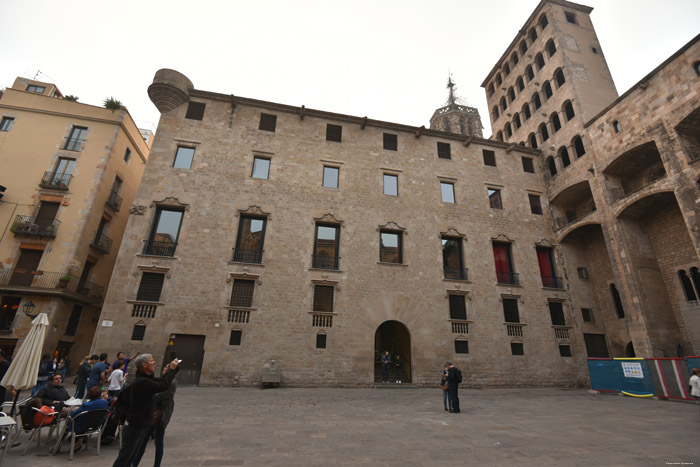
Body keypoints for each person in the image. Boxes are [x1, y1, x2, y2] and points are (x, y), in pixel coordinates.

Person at [111, 353, 179, 467]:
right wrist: (171, 369)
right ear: (144, 365)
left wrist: (174, 367)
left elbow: (162, 381)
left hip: (141, 423)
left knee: (131, 455)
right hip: (135, 424)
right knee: (125, 458)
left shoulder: (146, 380)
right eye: (152, 361)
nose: (154, 362)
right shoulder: (142, 382)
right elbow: (161, 385)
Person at [130, 367, 178, 467]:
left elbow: (158, 396)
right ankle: (135, 463)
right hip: (152, 413)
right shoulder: (162, 380)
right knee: (143, 440)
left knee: (158, 441)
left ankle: (156, 465)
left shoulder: (171, 382)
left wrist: (147, 395)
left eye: (166, 367)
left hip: (160, 415)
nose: (164, 368)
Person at [64, 386, 109, 452]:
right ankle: (79, 441)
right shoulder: (104, 403)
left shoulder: (86, 405)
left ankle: (58, 445)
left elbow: (74, 415)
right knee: (83, 420)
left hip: (82, 426)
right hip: (96, 425)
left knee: (70, 421)